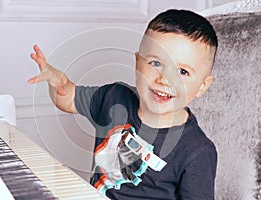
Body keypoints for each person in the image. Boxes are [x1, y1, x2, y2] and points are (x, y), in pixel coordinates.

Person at [28, 9, 218, 200]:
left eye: (183, 72)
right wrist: (55, 82)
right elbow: (68, 99)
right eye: (156, 63)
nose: (165, 79)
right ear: (137, 63)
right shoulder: (114, 97)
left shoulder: (197, 151)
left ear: (202, 85)